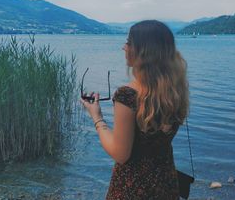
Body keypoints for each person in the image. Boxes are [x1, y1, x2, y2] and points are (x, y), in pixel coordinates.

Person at [81, 20, 189, 199]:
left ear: (142, 51)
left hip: (132, 188)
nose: (124, 47)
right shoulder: (175, 92)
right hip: (165, 183)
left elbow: (120, 154)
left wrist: (97, 118)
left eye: (128, 42)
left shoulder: (128, 96)